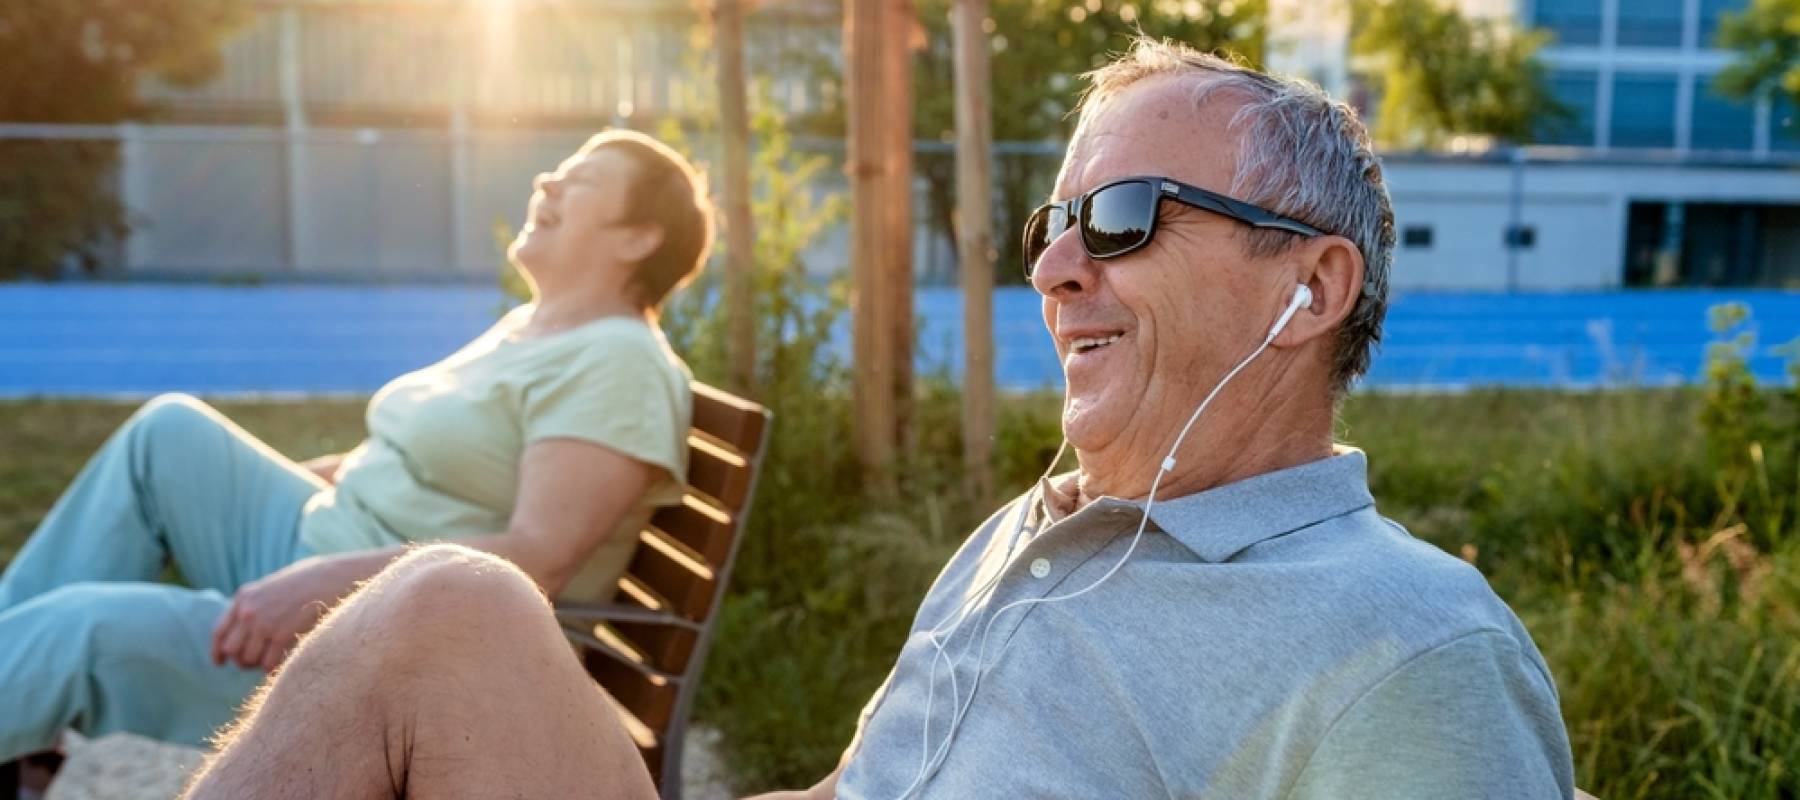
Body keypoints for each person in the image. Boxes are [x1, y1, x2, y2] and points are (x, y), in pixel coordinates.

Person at [183, 40, 1574, 799]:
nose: (1052, 269)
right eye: (1053, 224)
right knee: (452, 612)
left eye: (1126, 220)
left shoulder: (1406, 647)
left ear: (1309, 287)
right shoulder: (1038, 527)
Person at [0, 129, 711, 766]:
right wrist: (260, 490)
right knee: (170, 434)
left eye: (581, 178)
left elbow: (540, 559)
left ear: (637, 238)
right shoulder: (532, 328)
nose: (547, 182)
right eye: (557, 167)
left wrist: (325, 585)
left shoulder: (620, 363)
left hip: (388, 637)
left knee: (84, 632)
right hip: (329, 539)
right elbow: (414, 457)